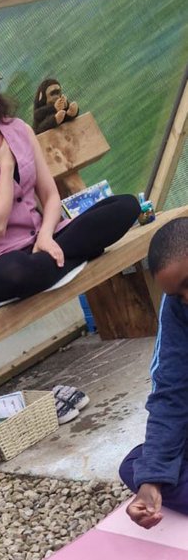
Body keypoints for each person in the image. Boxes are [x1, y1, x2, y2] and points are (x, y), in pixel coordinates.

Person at [0, 38, 140, 306]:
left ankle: (55, 260)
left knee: (126, 206)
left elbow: (50, 196)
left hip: (45, 237)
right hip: (5, 258)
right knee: (19, 273)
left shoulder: (20, 129)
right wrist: (6, 167)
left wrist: (47, 236)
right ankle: (78, 255)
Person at [119, 216, 188, 529]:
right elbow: (171, 392)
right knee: (137, 466)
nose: (187, 300)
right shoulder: (177, 308)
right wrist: (152, 481)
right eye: (178, 295)